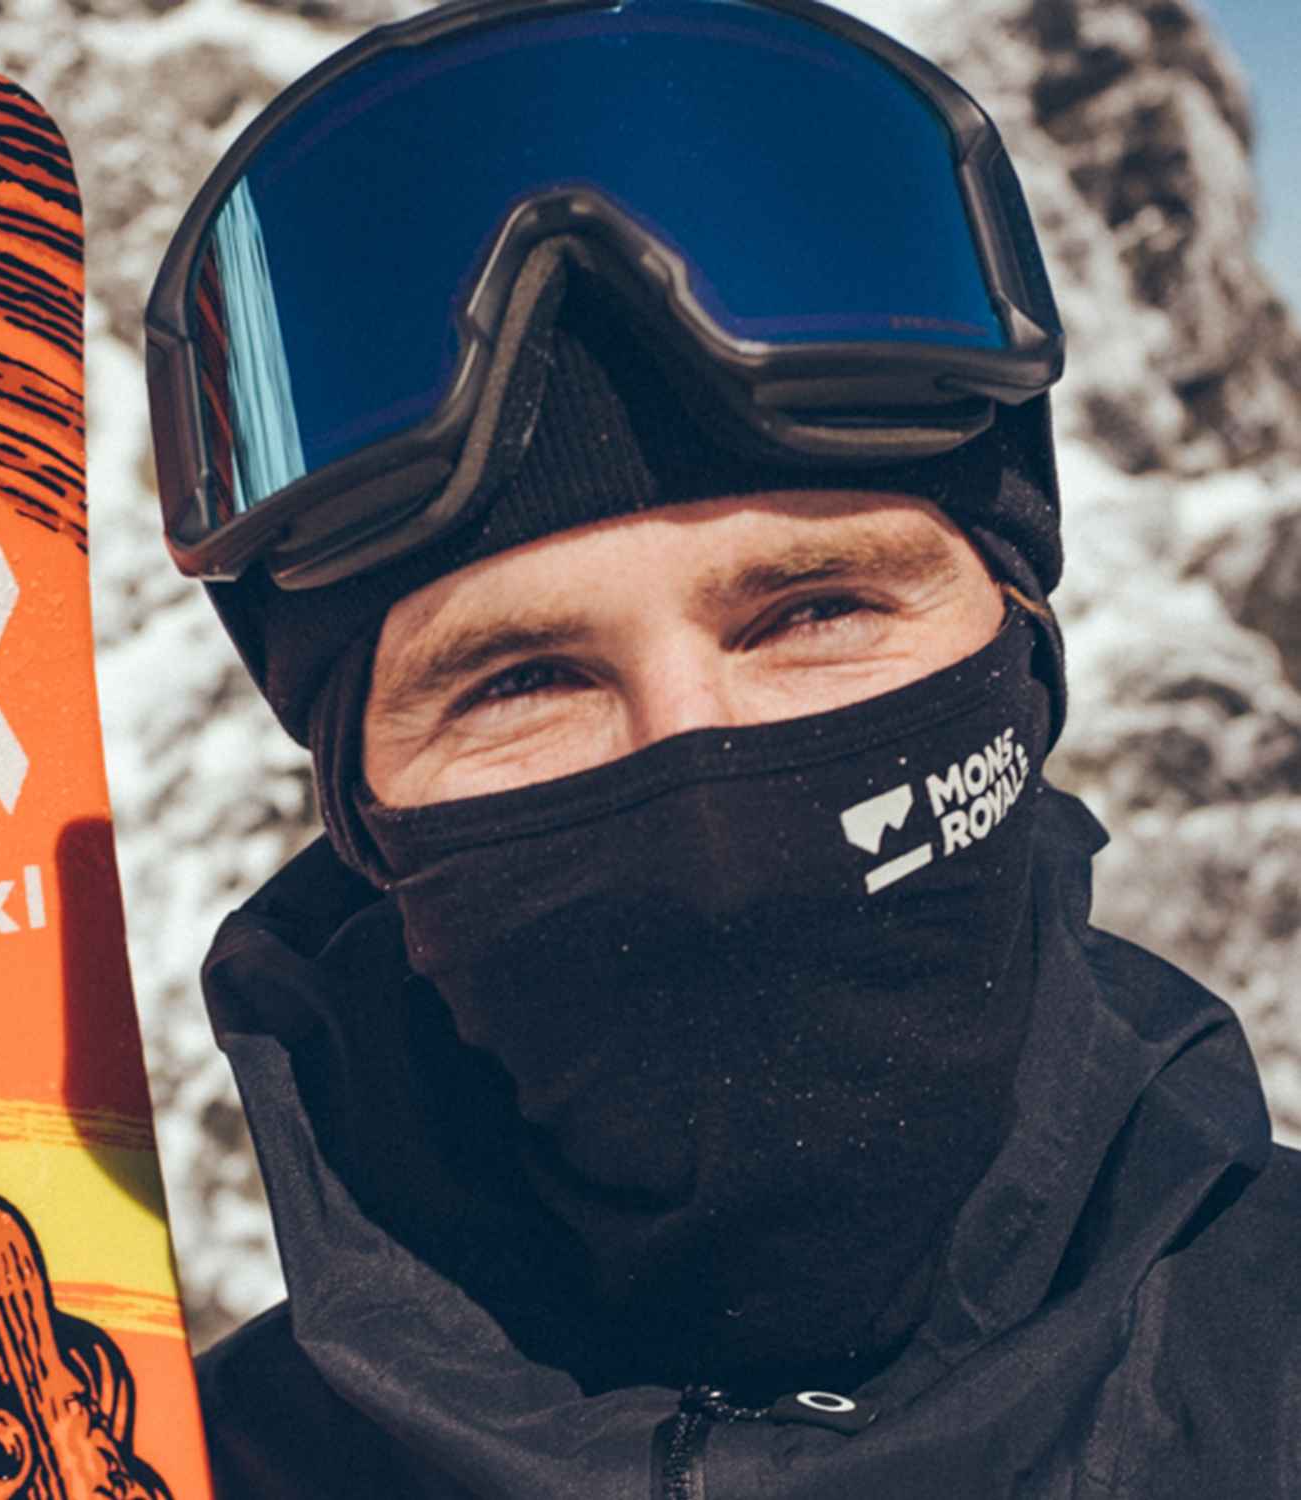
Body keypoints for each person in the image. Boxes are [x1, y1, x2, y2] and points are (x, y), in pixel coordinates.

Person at [144, 0, 1301, 1493]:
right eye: (517, 683)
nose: (699, 772)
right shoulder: (173, 1468)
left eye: (818, 611)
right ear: (365, 814)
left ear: (1021, 651)